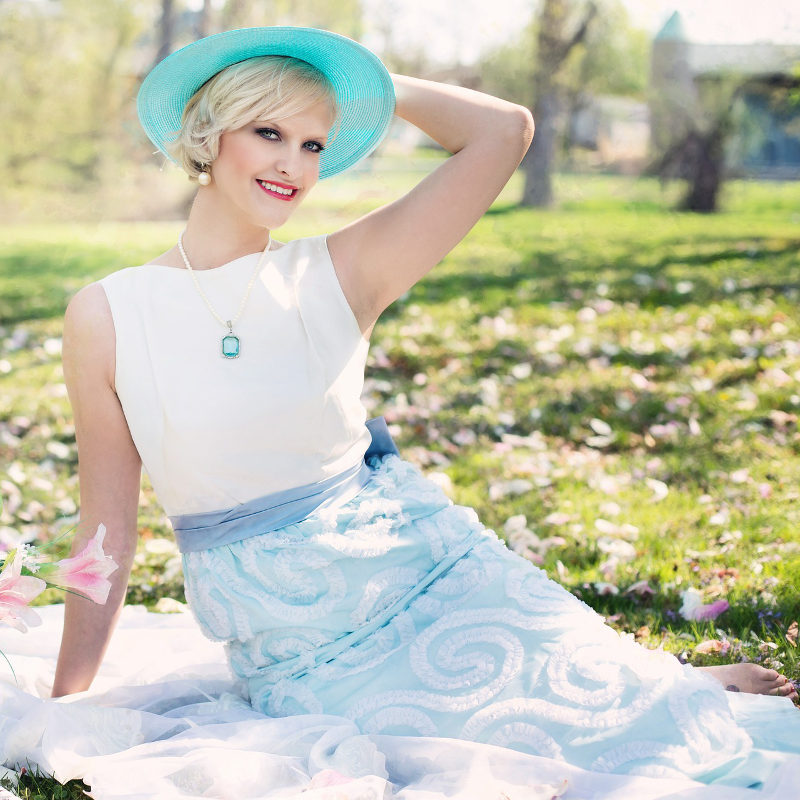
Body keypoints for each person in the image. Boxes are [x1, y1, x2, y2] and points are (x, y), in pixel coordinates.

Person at [47, 24, 800, 795]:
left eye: (314, 143)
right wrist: (68, 702)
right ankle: (656, 682)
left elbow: (503, 133)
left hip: (417, 569)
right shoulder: (108, 312)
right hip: (296, 643)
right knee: (438, 744)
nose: (291, 163)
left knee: (594, 725)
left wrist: (365, 81)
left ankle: (665, 685)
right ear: (207, 136)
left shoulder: (344, 270)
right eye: (268, 132)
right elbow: (106, 526)